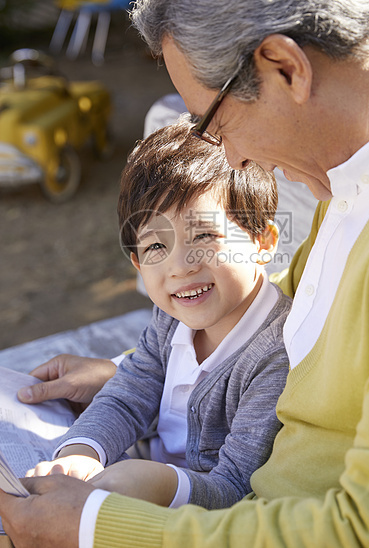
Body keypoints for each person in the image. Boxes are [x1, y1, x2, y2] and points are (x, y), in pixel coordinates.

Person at [1, 0, 369, 546]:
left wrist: (94, 526)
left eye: (212, 122)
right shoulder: (353, 184)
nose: (232, 158)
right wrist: (128, 373)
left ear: (284, 67)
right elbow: (299, 323)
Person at [26, 119, 290, 513]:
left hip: (198, 517)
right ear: (136, 262)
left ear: (263, 242)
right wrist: (82, 453)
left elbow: (237, 485)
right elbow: (130, 393)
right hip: (140, 475)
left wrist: (157, 482)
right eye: (155, 247)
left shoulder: (274, 356)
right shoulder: (171, 317)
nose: (180, 267)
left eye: (203, 236)